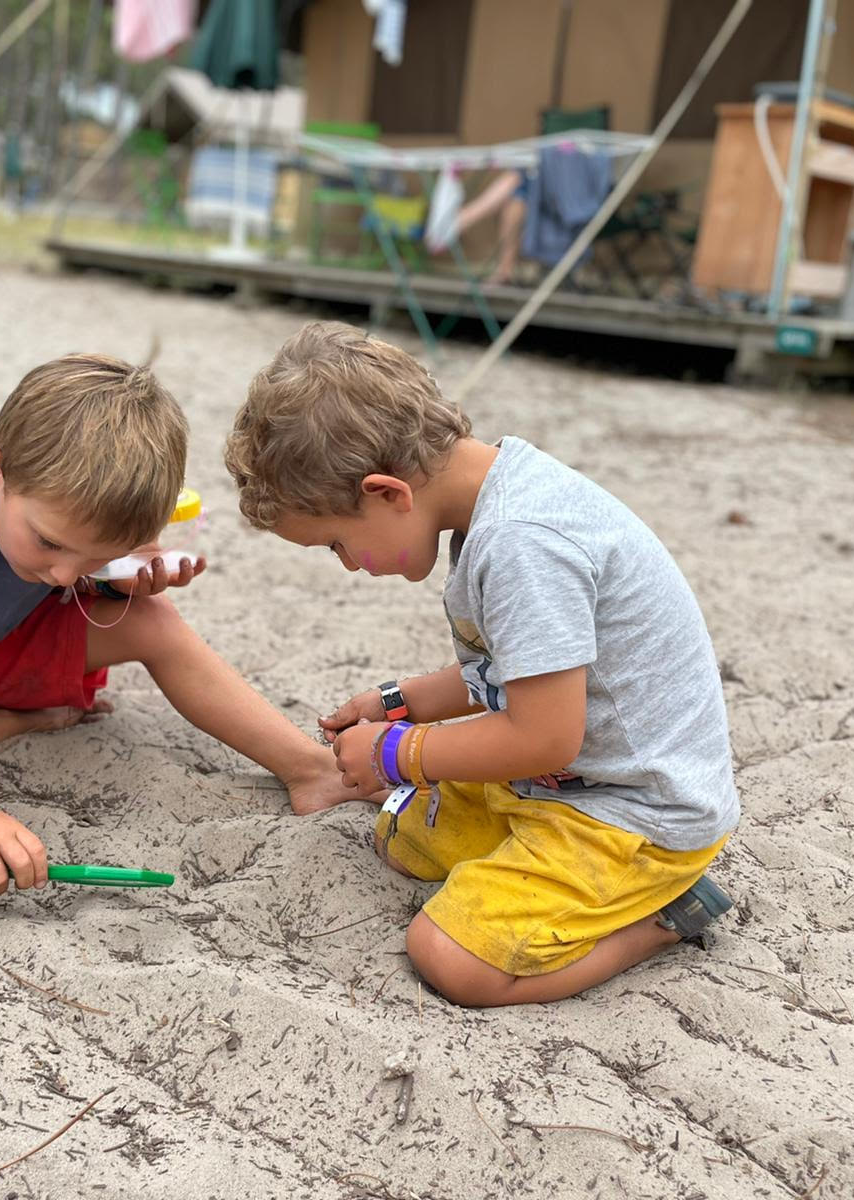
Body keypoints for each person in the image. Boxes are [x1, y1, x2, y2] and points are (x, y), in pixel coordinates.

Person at [224, 323, 739, 1008]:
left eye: (338, 544)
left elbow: (543, 734)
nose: (351, 565)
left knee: (450, 959)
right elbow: (514, 676)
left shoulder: (525, 544)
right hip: (565, 783)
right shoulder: (493, 499)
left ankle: (664, 919)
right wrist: (398, 702)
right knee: (404, 835)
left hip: (635, 815)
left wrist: (400, 752)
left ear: (387, 493)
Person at [0, 354, 359, 894]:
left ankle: (309, 769)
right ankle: (7, 721)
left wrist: (116, 580)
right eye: (50, 543)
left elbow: (73, 570)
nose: (62, 576)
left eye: (95, 554)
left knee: (152, 619)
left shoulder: (58, 540)